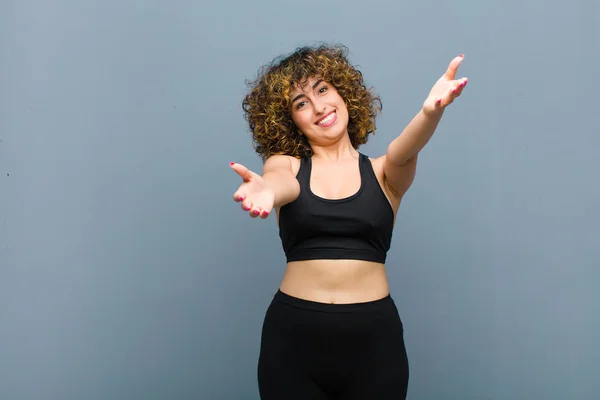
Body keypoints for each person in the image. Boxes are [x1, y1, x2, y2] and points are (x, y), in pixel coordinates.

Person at [230, 44, 468, 400]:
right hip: (292, 342)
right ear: (289, 120)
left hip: (374, 346)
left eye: (323, 89)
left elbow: (406, 148)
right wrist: (266, 191)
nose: (319, 107)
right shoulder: (288, 165)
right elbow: (281, 182)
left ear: (344, 93)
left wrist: (430, 113)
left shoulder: (384, 173)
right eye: (301, 103)